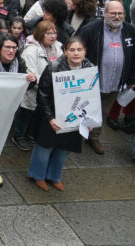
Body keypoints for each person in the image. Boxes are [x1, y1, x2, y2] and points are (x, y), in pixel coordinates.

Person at [30, 37, 93, 191]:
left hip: (76, 117)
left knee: (65, 149)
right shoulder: (54, 67)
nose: (76, 53)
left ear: (85, 51)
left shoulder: (89, 68)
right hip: (52, 115)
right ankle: (38, 175)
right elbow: (43, 96)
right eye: (72, 50)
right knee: (44, 148)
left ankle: (54, 176)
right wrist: (50, 118)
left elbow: (92, 97)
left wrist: (91, 120)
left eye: (79, 50)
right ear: (65, 51)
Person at [78, 1, 135, 154]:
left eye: (120, 13)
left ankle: (94, 137)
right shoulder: (90, 29)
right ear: (105, 13)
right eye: (113, 13)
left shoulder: (130, 31)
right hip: (90, 81)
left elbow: (131, 57)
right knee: (82, 109)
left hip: (115, 82)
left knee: (102, 112)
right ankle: (74, 137)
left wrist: (131, 79)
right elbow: (76, 51)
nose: (117, 16)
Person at [16, 21, 63, 151]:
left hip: (47, 93)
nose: (53, 36)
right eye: (49, 33)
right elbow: (31, 73)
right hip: (32, 92)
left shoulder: (57, 48)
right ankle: (18, 136)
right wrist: (48, 84)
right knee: (26, 115)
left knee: (37, 116)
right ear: (41, 34)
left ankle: (29, 134)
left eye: (54, 32)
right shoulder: (30, 51)